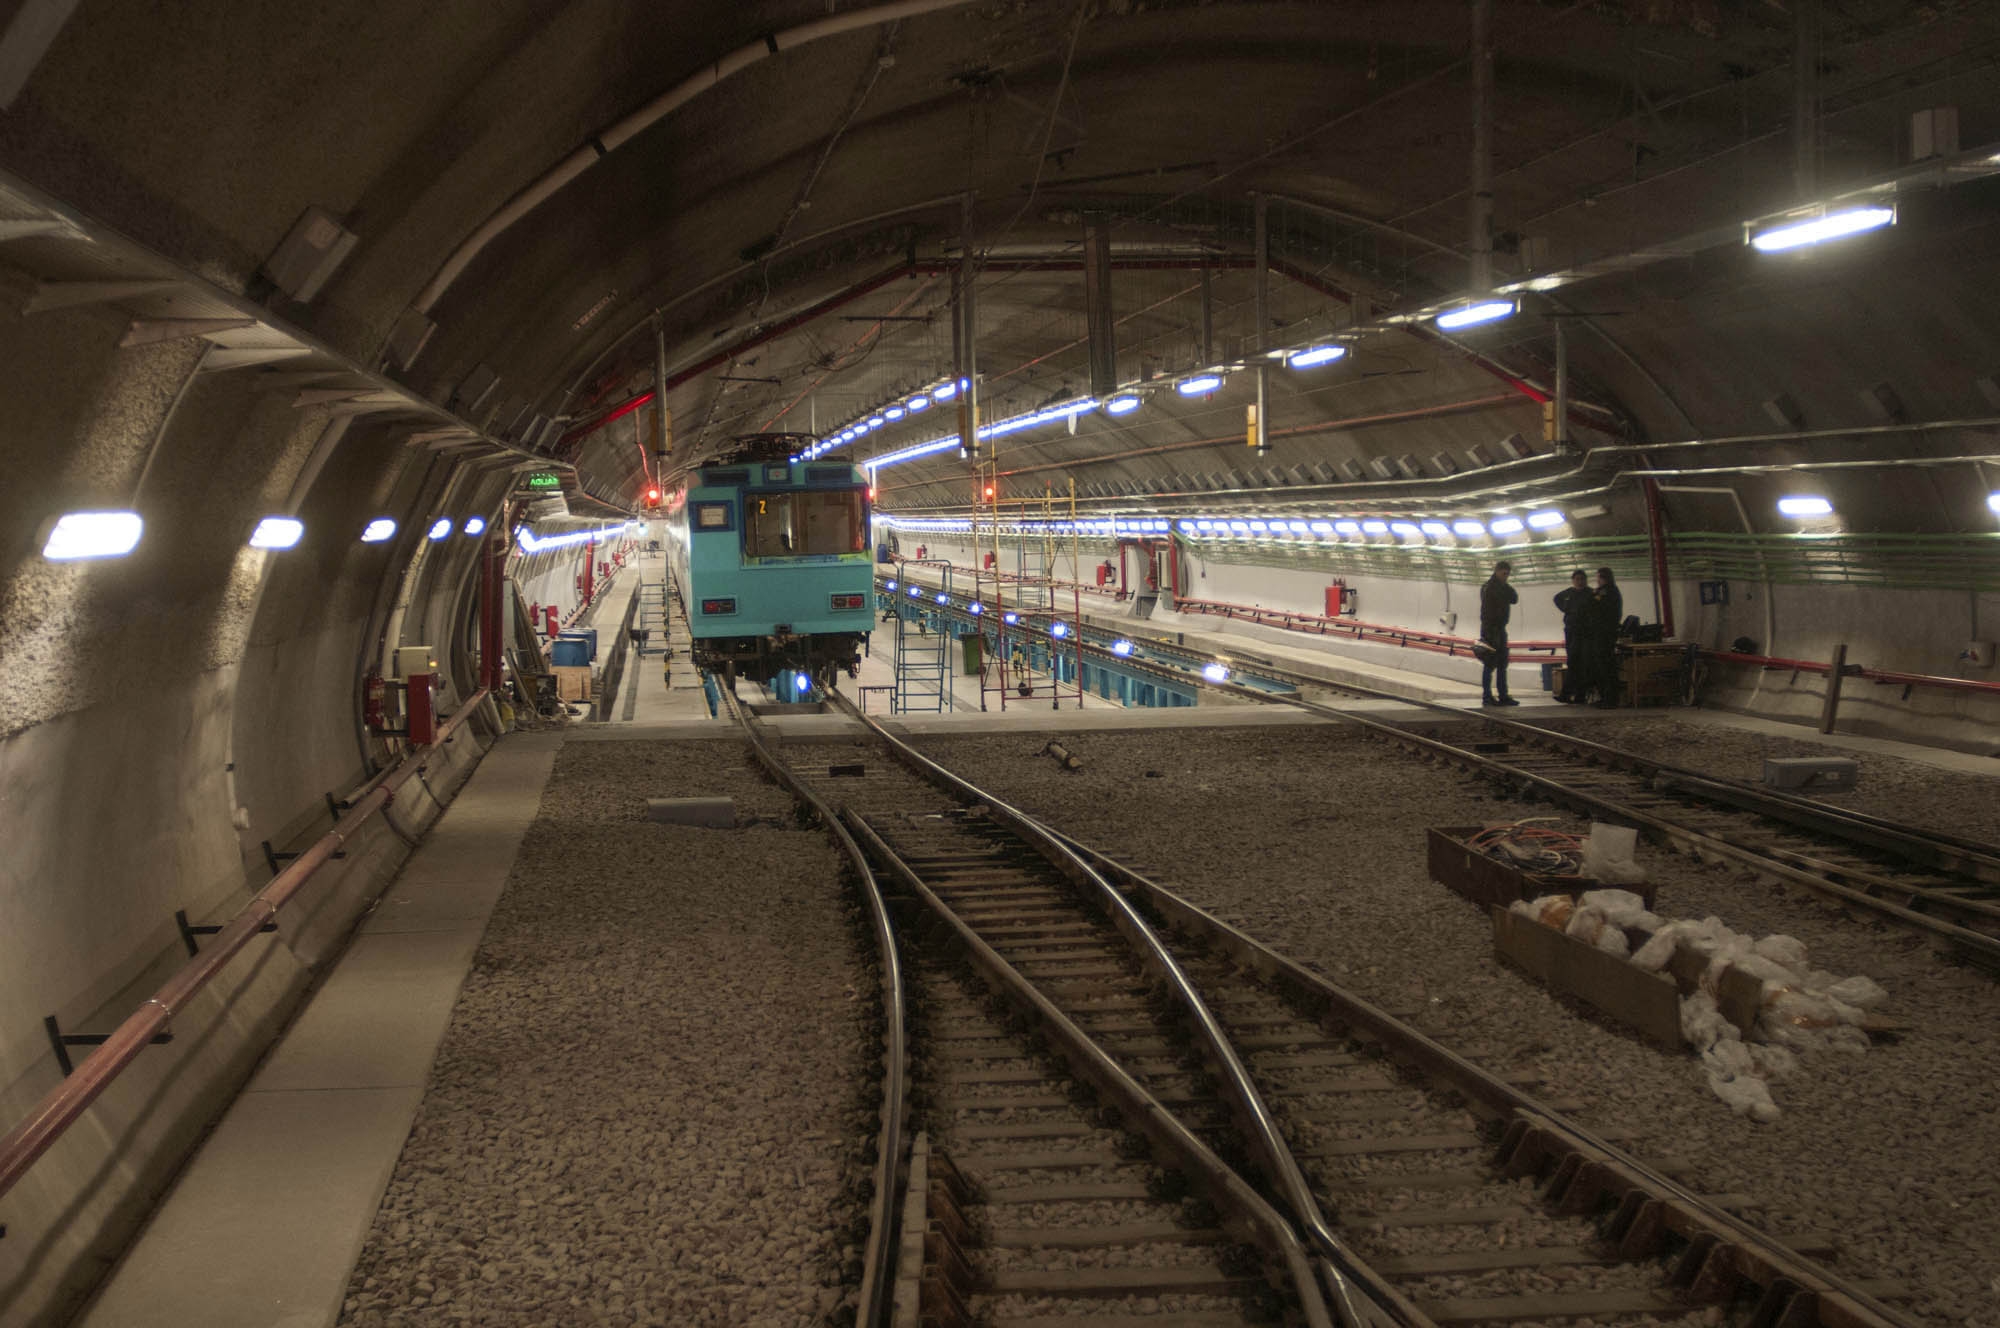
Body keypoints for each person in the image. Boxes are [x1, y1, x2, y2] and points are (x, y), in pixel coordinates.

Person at [1478, 560, 1518, 706]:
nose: (1506, 577)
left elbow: (1515, 599)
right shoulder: (1489, 588)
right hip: (1490, 630)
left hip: (1500, 629)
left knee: (1502, 664)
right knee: (1489, 664)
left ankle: (1503, 695)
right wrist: (1488, 632)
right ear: (1497, 571)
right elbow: (1487, 611)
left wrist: (1505, 586)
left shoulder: (1503, 587)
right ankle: (1487, 696)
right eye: (1503, 574)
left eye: (1507, 574)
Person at [1552, 569, 1592, 703]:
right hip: (1572, 632)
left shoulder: (1590, 594)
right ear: (1573, 580)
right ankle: (1567, 693)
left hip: (1586, 632)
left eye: (1582, 579)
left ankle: (1580, 695)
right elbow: (1556, 598)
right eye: (1577, 579)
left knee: (1584, 663)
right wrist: (1566, 609)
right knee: (1572, 662)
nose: (1580, 582)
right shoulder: (1568, 593)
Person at [1589, 566, 1624, 708]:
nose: (1597, 580)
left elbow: (1596, 605)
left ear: (1602, 578)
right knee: (1604, 666)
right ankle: (1607, 697)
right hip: (1607, 632)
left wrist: (1593, 595)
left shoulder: (1606, 591)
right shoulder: (1612, 591)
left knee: (1605, 666)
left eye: (1598, 577)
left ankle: (1609, 699)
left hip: (1604, 633)